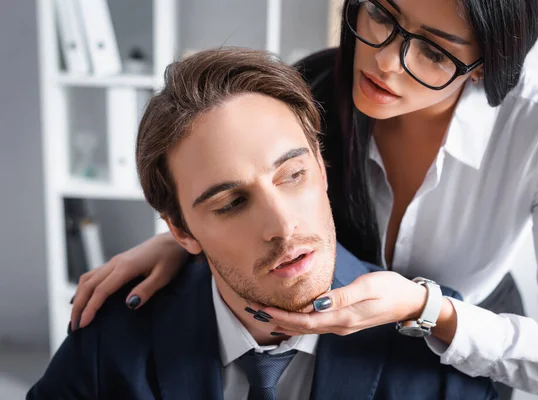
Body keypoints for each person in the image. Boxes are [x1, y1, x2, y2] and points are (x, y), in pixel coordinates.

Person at [70, 1, 538, 399]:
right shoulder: (310, 86)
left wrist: (427, 310)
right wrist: (185, 238)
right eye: (380, 14)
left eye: (435, 51)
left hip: (461, 341)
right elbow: (241, 179)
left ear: (485, 63)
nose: (386, 62)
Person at [28, 48, 497, 400]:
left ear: (322, 164)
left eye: (293, 175)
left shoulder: (437, 347)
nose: (283, 224)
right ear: (181, 230)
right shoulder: (109, 340)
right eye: (231, 203)